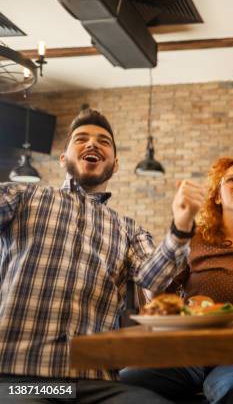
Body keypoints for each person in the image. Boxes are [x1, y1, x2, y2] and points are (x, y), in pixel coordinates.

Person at [0, 108, 206, 403]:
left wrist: (182, 226)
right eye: (81, 139)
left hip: (93, 382)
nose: (93, 144)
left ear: (115, 164)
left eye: (104, 142)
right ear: (63, 159)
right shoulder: (23, 198)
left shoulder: (128, 229)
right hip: (22, 380)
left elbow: (155, 279)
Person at [120, 157, 233, 404]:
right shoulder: (194, 240)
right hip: (187, 351)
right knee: (121, 381)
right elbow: (158, 293)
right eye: (232, 179)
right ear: (216, 196)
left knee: (231, 388)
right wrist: (182, 307)